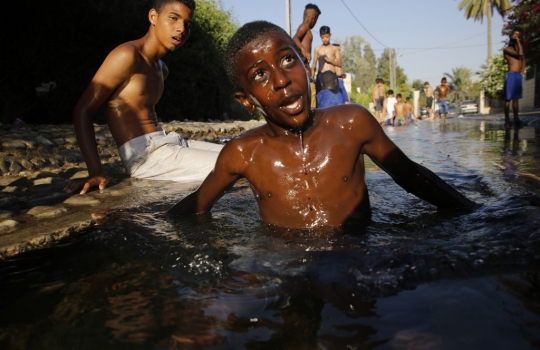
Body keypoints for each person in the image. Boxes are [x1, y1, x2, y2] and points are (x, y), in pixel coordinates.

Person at [167, 20, 476, 230]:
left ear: (305, 65)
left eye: (288, 60)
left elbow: (410, 175)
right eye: (259, 75)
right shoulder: (242, 153)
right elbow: (198, 205)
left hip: (359, 257)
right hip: (286, 268)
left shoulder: (351, 123)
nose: (281, 79)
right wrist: (139, 221)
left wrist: (473, 210)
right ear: (246, 100)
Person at [64, 0, 223, 195]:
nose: (181, 29)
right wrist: (95, 171)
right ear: (153, 17)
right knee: (242, 168)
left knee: (243, 153)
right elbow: (83, 110)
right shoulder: (127, 55)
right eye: (173, 18)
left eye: (188, 25)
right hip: (146, 155)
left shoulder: (161, 69)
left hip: (170, 141)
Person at [293, 3, 321, 109]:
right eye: (316, 19)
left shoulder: (307, 29)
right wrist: (303, 49)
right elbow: (295, 38)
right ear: (313, 18)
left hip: (305, 66)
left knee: (310, 96)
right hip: (303, 66)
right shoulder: (305, 26)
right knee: (310, 97)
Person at [502, 27, 526, 129]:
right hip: (511, 75)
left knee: (516, 99)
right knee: (507, 99)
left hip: (518, 75)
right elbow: (519, 54)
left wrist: (523, 69)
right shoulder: (507, 49)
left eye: (518, 36)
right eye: (515, 35)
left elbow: (523, 57)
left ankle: (516, 119)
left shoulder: (519, 47)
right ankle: (507, 119)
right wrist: (516, 41)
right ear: (511, 36)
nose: (516, 37)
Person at [312, 26, 342, 93]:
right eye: (323, 37)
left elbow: (340, 64)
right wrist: (312, 77)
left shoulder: (335, 49)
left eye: (327, 37)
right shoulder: (317, 49)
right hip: (321, 75)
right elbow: (314, 64)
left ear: (330, 35)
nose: (325, 39)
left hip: (332, 75)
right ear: (320, 36)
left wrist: (330, 61)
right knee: (319, 97)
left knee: (334, 97)